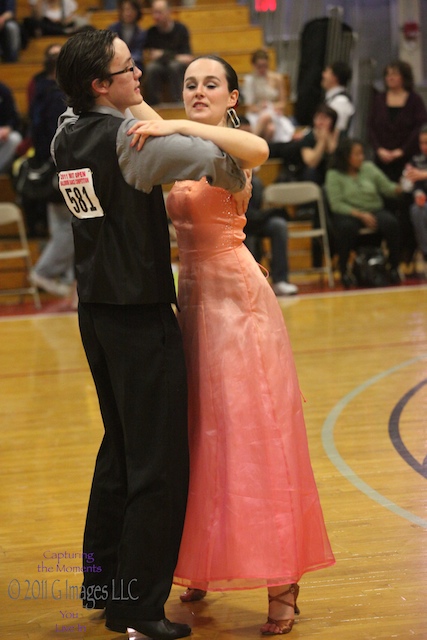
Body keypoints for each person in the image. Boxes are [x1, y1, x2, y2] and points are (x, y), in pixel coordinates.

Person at [52, 29, 249, 640]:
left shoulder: (65, 133)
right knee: (158, 462)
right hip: (139, 314)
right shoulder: (132, 143)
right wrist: (176, 127)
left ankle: (100, 580)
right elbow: (229, 164)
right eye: (126, 68)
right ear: (101, 84)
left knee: (118, 448)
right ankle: (136, 606)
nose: (140, 74)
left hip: (95, 313)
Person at [129, 54, 335, 635]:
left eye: (210, 85)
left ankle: (283, 584)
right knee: (200, 435)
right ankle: (204, 563)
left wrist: (179, 123)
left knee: (254, 438)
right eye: (190, 85)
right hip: (191, 299)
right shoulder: (187, 140)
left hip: (237, 305)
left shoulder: (231, 147)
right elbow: (137, 109)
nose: (197, 92)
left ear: (233, 97)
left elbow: (262, 154)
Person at [26, 44, 75, 299]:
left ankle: (66, 278)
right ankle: (44, 272)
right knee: (67, 227)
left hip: (47, 166)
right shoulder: (57, 94)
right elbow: (60, 137)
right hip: (59, 169)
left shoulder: (39, 89)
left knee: (61, 227)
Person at [325, 137, 401, 287]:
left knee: (392, 223)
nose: (362, 157)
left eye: (362, 153)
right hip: (350, 213)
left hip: (374, 209)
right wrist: (360, 214)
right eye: (357, 154)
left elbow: (387, 188)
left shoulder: (369, 168)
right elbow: (336, 204)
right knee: (345, 228)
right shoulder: (333, 174)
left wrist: (401, 187)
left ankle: (393, 267)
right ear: (346, 156)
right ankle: (344, 270)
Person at [368, 59, 427, 183]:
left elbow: (419, 128)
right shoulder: (379, 99)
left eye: (394, 74)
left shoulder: (415, 100)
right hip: (382, 157)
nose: (390, 78)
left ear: (404, 77)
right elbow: (371, 126)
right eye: (387, 74)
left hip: (407, 157)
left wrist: (402, 151)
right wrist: (379, 149)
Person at [244, 173, 298, 296]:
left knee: (278, 225)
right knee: (248, 234)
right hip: (236, 223)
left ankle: (280, 280)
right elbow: (248, 217)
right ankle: (249, 283)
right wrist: (275, 211)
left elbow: (255, 216)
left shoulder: (256, 182)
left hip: (254, 222)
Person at [142, 0, 193, 105]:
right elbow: (149, 55)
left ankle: (178, 104)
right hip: (160, 67)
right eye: (154, 12)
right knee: (151, 68)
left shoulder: (181, 29)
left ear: (168, 12)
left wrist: (163, 54)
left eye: (159, 12)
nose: (156, 16)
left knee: (174, 66)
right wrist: (173, 56)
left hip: (177, 68)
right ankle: (153, 105)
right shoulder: (151, 32)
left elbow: (188, 58)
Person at [241, 48, 295, 143]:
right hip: (256, 114)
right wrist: (260, 108)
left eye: (265, 66)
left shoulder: (277, 78)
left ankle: (249, 143)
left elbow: (283, 103)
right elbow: (249, 106)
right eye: (259, 66)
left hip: (274, 112)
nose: (263, 69)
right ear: (254, 65)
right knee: (270, 129)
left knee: (267, 120)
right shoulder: (249, 80)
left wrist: (270, 106)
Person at [401, 124, 427, 262]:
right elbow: (411, 184)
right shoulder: (416, 159)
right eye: (421, 142)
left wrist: (423, 174)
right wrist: (418, 194)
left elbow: (421, 176)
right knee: (417, 210)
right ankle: (425, 251)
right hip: (424, 202)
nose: (424, 146)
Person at [108, 0, 146, 72]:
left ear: (137, 12)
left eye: (131, 10)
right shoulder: (112, 29)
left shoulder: (141, 33)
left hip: (134, 64)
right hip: (116, 62)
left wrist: (127, 61)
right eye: (125, 9)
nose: (128, 13)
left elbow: (139, 53)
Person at [321, 61, 355, 135]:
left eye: (327, 72)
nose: (323, 75)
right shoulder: (332, 99)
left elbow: (336, 131)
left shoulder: (341, 101)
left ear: (334, 77)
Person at [0, 80, 22, 174]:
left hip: (2, 133)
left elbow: (14, 117)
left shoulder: (3, 90)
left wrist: (8, 128)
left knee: (15, 139)